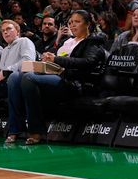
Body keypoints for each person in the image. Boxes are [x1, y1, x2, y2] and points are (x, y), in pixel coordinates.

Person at [6, 10, 104, 145]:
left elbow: (88, 63)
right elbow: (57, 58)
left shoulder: (93, 42)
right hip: (55, 75)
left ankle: (36, 130)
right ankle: (14, 129)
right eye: (71, 22)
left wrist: (56, 59)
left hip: (73, 82)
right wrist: (48, 57)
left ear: (87, 24)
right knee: (14, 77)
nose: (73, 25)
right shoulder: (68, 41)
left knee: (28, 78)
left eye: (77, 22)